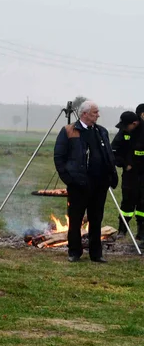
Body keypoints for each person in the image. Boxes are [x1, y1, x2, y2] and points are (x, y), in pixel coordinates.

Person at [53, 100, 118, 262]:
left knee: (96, 219)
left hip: (99, 184)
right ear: (84, 114)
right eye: (95, 112)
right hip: (79, 184)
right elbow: (59, 157)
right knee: (75, 219)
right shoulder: (69, 131)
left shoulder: (101, 131)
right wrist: (69, 179)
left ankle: (96, 254)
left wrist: (111, 176)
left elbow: (108, 155)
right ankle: (74, 252)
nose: (98, 115)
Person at [111, 110, 143, 239]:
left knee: (142, 203)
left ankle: (142, 232)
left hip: (143, 174)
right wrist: (124, 164)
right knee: (127, 202)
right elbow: (113, 150)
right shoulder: (124, 132)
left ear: (134, 123)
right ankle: (123, 229)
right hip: (129, 174)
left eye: (126, 126)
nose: (124, 128)